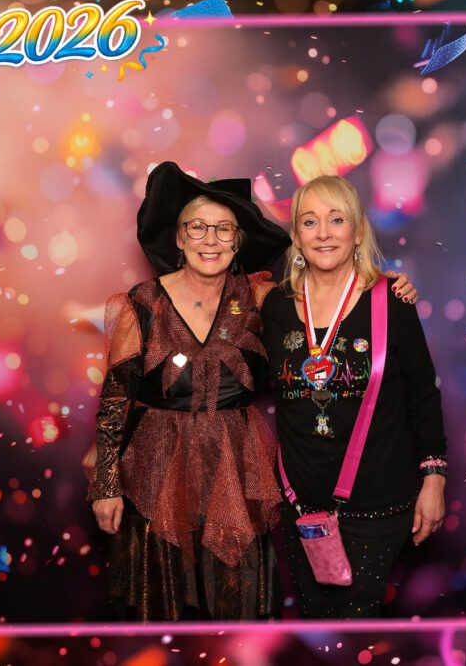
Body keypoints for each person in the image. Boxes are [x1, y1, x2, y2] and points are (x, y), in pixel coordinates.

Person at [87, 162, 417, 621]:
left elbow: (327, 293)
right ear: (178, 238)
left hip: (236, 475)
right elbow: (114, 402)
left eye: (224, 229)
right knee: (164, 610)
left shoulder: (262, 298)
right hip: (157, 475)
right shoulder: (140, 304)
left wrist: (386, 286)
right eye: (197, 227)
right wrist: (105, 486)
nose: (210, 240)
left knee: (237, 609)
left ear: (238, 242)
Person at [259, 174, 446, 619]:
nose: (323, 233)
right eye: (309, 222)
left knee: (354, 631)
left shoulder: (392, 301)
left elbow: (422, 393)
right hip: (300, 507)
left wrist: (434, 478)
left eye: (336, 219)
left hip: (376, 509)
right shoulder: (275, 307)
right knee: (315, 628)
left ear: (358, 231)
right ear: (296, 237)